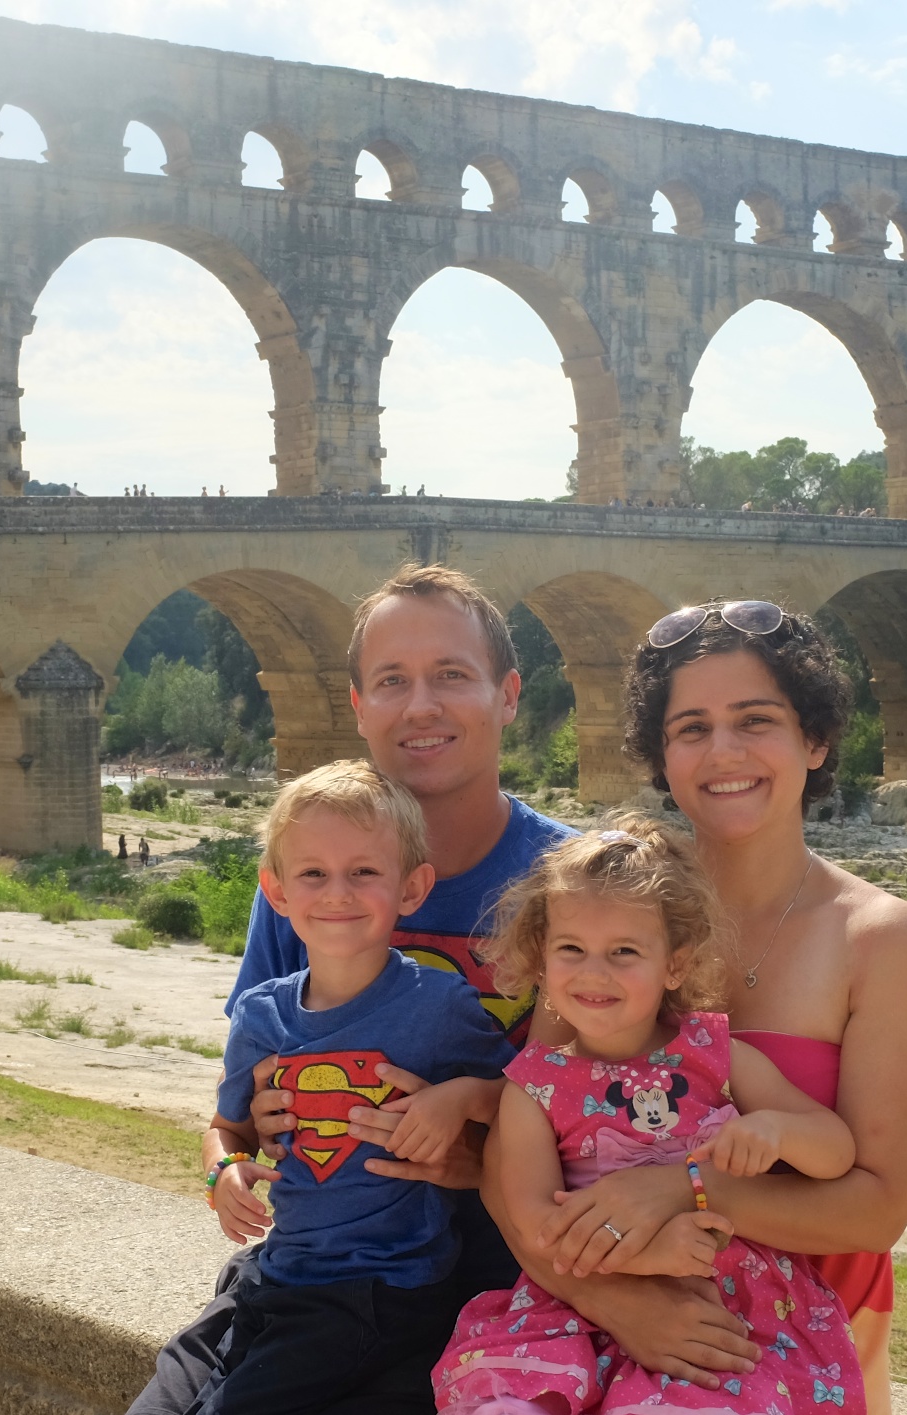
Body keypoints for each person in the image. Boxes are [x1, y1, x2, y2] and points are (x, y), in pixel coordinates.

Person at [478, 601, 907, 1411]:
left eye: (754, 720)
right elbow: (515, 1155)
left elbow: (873, 1210)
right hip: (603, 1320)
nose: (722, 751)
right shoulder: (605, 916)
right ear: (661, 755)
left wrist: (685, 1187)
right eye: (689, 727)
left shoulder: (882, 941)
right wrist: (618, 1304)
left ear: (815, 738)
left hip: (808, 1339)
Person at [129, 565, 576, 1415]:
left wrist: (472, 1150)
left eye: (451, 674)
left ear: (509, 693)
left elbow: (612, 1119)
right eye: (391, 681)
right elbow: (241, 1104)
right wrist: (233, 1151)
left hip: (490, 1279)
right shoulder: (306, 880)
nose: (420, 705)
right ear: (357, 705)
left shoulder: (573, 882)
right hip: (299, 1270)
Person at [437, 823, 861, 1414]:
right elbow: (536, 1223)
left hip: (726, 1308)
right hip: (582, 1304)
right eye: (571, 949)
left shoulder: (718, 1053)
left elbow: (837, 1149)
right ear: (540, 961)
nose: (594, 972)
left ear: (675, 965)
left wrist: (777, 1130)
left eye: (625, 952)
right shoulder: (533, 1085)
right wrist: (646, 1257)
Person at [199, 760, 516, 1415]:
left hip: (387, 1287)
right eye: (312, 872)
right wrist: (222, 1171)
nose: (336, 892)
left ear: (411, 886)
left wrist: (458, 1098)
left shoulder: (439, 1004)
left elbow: (524, 1097)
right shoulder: (262, 1015)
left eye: (364, 872)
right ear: (277, 890)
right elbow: (226, 1128)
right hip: (279, 1272)